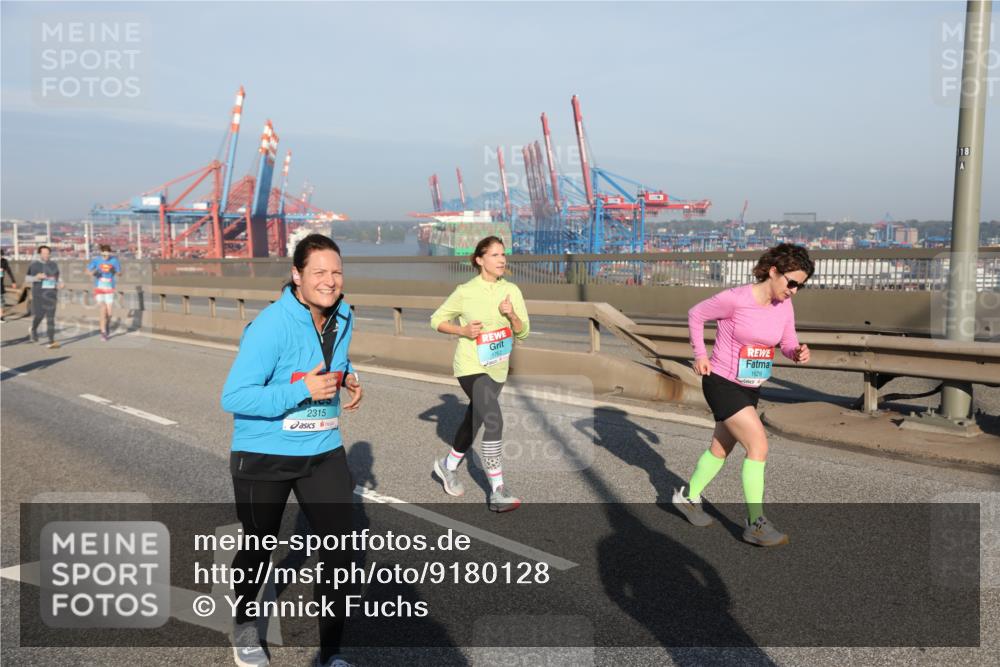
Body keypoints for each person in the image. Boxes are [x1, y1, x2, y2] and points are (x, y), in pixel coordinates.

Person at [221, 233, 362, 667]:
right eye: (319, 272)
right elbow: (235, 396)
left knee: (341, 549)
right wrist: (299, 389)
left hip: (322, 449)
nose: (330, 280)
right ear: (296, 276)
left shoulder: (344, 316)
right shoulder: (270, 326)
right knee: (259, 545)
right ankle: (244, 626)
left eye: (336, 271)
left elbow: (332, 360)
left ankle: (332, 653)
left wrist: (349, 376)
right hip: (264, 454)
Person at [672, 243, 813, 547]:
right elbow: (696, 315)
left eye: (801, 286)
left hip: (751, 385)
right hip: (721, 381)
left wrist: (796, 352)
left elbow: (788, 342)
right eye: (792, 283)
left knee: (721, 449)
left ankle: (688, 498)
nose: (794, 291)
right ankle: (755, 523)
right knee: (758, 444)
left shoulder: (784, 306)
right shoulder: (735, 299)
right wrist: (700, 354)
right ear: (774, 271)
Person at [430, 235, 530, 512]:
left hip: (497, 367)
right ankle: (498, 491)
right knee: (494, 420)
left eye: (503, 255)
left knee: (474, 421)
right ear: (480, 259)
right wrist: (461, 330)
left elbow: (524, 331)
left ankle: (446, 466)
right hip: (470, 366)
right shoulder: (465, 291)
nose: (502, 260)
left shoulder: (511, 291)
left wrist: (511, 316)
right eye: (495, 255)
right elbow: (436, 319)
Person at [26, 245, 62, 348]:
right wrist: (36, 277)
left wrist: (60, 283)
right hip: (38, 295)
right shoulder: (34, 265)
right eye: (44, 253)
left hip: (51, 294)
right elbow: (27, 279)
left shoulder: (53, 265)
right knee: (39, 316)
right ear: (40, 254)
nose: (46, 255)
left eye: (47, 253)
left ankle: (51, 341)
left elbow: (57, 277)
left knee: (51, 318)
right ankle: (33, 329)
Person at [86, 244, 121, 341]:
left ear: (110, 253)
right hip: (99, 288)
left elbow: (120, 273)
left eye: (107, 254)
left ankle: (106, 326)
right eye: (104, 254)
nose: (106, 256)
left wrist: (114, 270)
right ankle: (103, 332)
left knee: (109, 314)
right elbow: (87, 272)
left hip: (109, 289)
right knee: (103, 308)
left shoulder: (114, 261)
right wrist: (94, 272)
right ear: (101, 253)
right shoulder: (96, 260)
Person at [0, 250, 16, 322]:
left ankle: (1, 317)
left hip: (0, 284)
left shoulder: (4, 261)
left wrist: (13, 281)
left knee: (1, 301)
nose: (0, 257)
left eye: (1, 256)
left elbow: (9, 271)